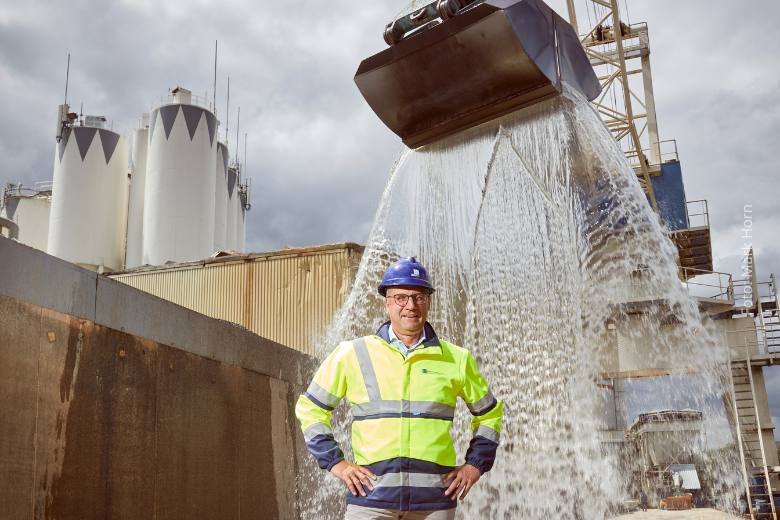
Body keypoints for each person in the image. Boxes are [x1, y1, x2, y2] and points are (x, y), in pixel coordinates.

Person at [295, 257, 503, 519]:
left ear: (428, 301)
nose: (410, 306)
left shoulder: (457, 359)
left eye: (419, 297)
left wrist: (475, 465)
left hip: (434, 504)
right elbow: (310, 409)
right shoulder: (352, 353)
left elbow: (490, 415)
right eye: (401, 297)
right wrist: (336, 463)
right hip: (371, 500)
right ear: (388, 302)